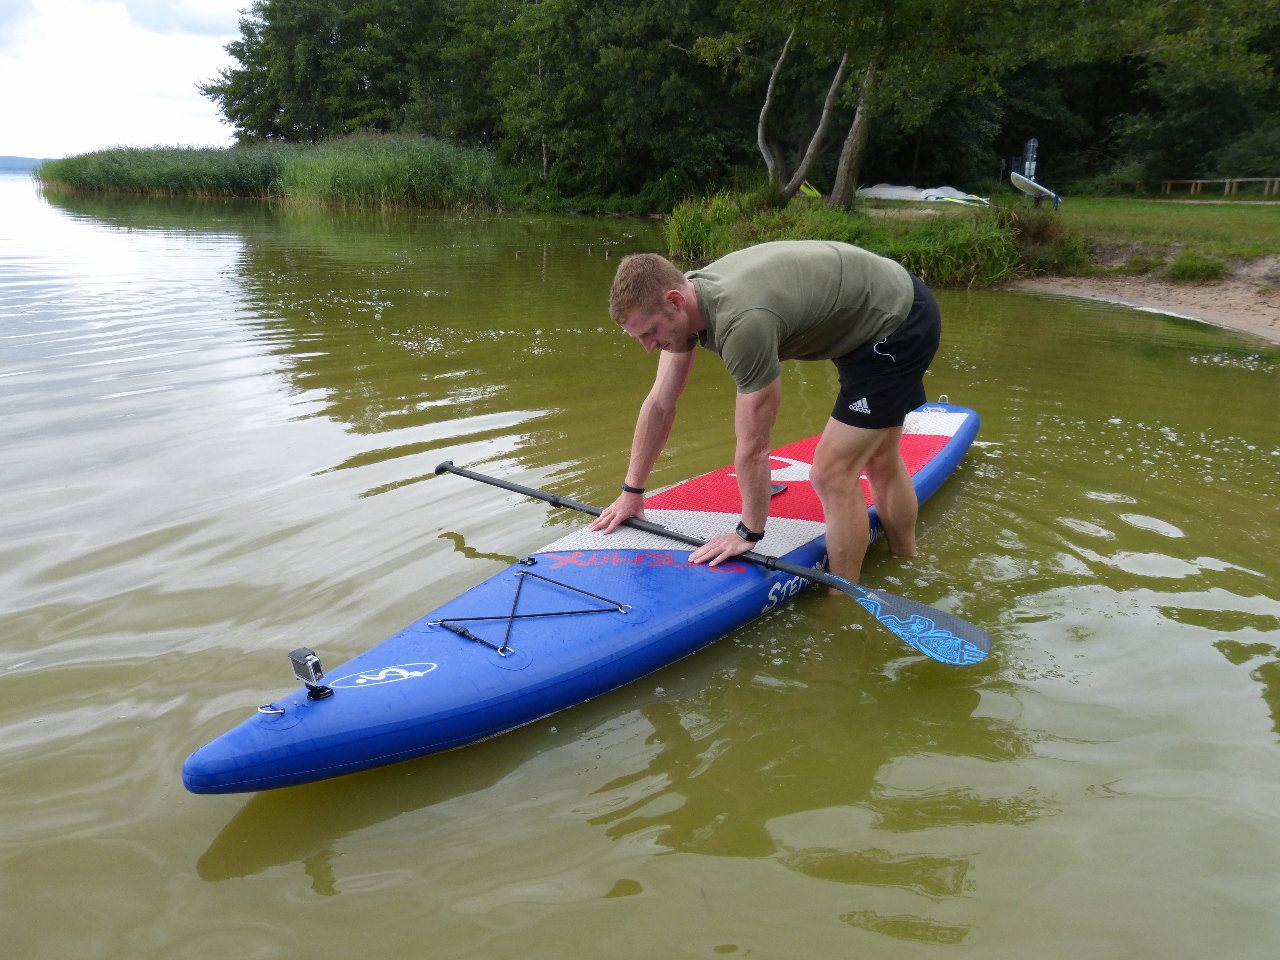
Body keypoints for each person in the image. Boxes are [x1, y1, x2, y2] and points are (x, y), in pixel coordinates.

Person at [589, 239, 942, 587]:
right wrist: (632, 491)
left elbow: (755, 445)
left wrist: (748, 531)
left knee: (832, 474)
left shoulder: (742, 324)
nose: (649, 347)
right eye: (639, 336)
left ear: (676, 300)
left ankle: (844, 601)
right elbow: (660, 404)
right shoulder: (685, 302)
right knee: (880, 457)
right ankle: (906, 561)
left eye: (650, 332)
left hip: (897, 323)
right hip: (872, 308)